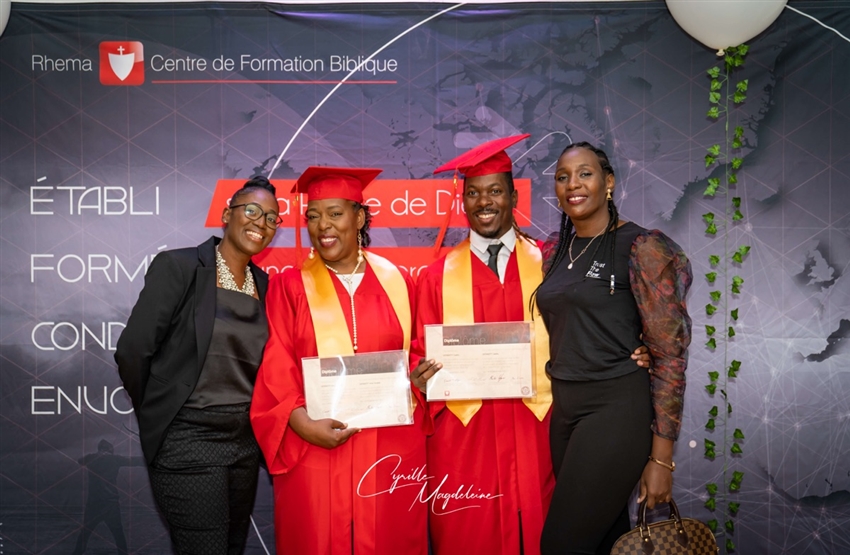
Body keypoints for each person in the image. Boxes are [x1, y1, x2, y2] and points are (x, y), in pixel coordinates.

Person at [410, 135, 652, 555]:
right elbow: (420, 348)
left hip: (542, 430)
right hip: (468, 440)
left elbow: (593, 321)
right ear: (463, 202)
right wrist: (420, 376)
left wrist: (635, 347)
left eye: (495, 190)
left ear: (513, 196)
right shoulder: (435, 277)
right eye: (473, 193)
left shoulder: (552, 263)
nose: (484, 202)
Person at [250, 167, 428, 555]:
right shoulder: (290, 287)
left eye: (335, 213)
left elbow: (414, 350)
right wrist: (301, 423)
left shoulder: (398, 281)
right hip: (315, 447)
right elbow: (276, 365)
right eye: (313, 216)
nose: (323, 226)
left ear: (359, 217)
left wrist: (420, 376)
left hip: (388, 446)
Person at [535, 142, 692, 555]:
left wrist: (661, 459)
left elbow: (669, 356)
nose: (573, 184)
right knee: (605, 539)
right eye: (563, 177)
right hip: (566, 412)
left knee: (561, 545)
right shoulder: (554, 250)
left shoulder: (641, 247)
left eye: (584, 174)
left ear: (608, 183)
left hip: (615, 409)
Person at [115, 176, 280, 554]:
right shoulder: (180, 266)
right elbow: (133, 351)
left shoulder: (266, 285)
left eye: (272, 218)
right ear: (226, 214)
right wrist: (164, 409)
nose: (261, 223)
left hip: (243, 443)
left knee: (232, 547)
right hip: (188, 439)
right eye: (252, 211)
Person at [71, 439, 144, 555]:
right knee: (118, 534)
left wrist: (97, 455)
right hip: (110, 504)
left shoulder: (91, 458)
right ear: (110, 450)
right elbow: (135, 461)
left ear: (100, 449)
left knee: (85, 532)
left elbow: (80, 460)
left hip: (93, 505)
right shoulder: (115, 459)